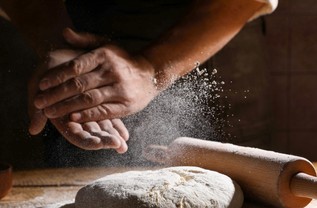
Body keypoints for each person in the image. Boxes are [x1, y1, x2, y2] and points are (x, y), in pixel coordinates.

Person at [0, 0, 278, 166]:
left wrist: (152, 70)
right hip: (79, 54)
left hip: (212, 39)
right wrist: (58, 43)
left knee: (236, 203)